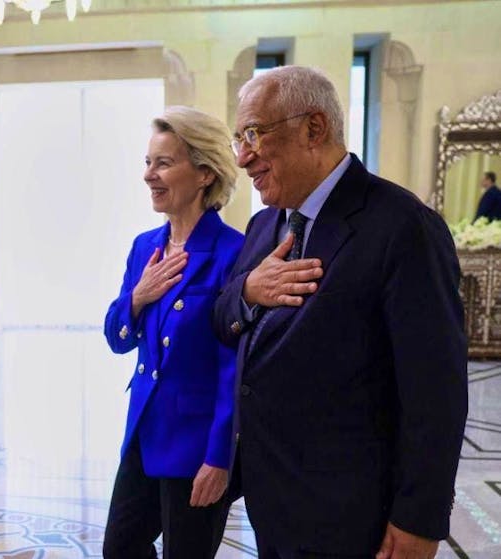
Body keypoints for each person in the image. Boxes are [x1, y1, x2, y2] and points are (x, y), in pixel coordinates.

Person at [214, 66, 467, 559]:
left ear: (313, 128)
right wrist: (248, 288)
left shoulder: (402, 227)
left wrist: (419, 517)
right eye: (238, 138)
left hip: (355, 513)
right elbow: (223, 317)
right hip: (274, 496)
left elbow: (436, 393)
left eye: (254, 134)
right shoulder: (264, 224)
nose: (243, 157)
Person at [102, 106, 243, 558]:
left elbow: (234, 368)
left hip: (197, 445)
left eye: (164, 163)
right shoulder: (146, 247)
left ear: (204, 173)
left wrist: (219, 458)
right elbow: (117, 338)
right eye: (148, 163)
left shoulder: (233, 253)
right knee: (119, 549)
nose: (149, 175)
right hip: (145, 434)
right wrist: (138, 297)